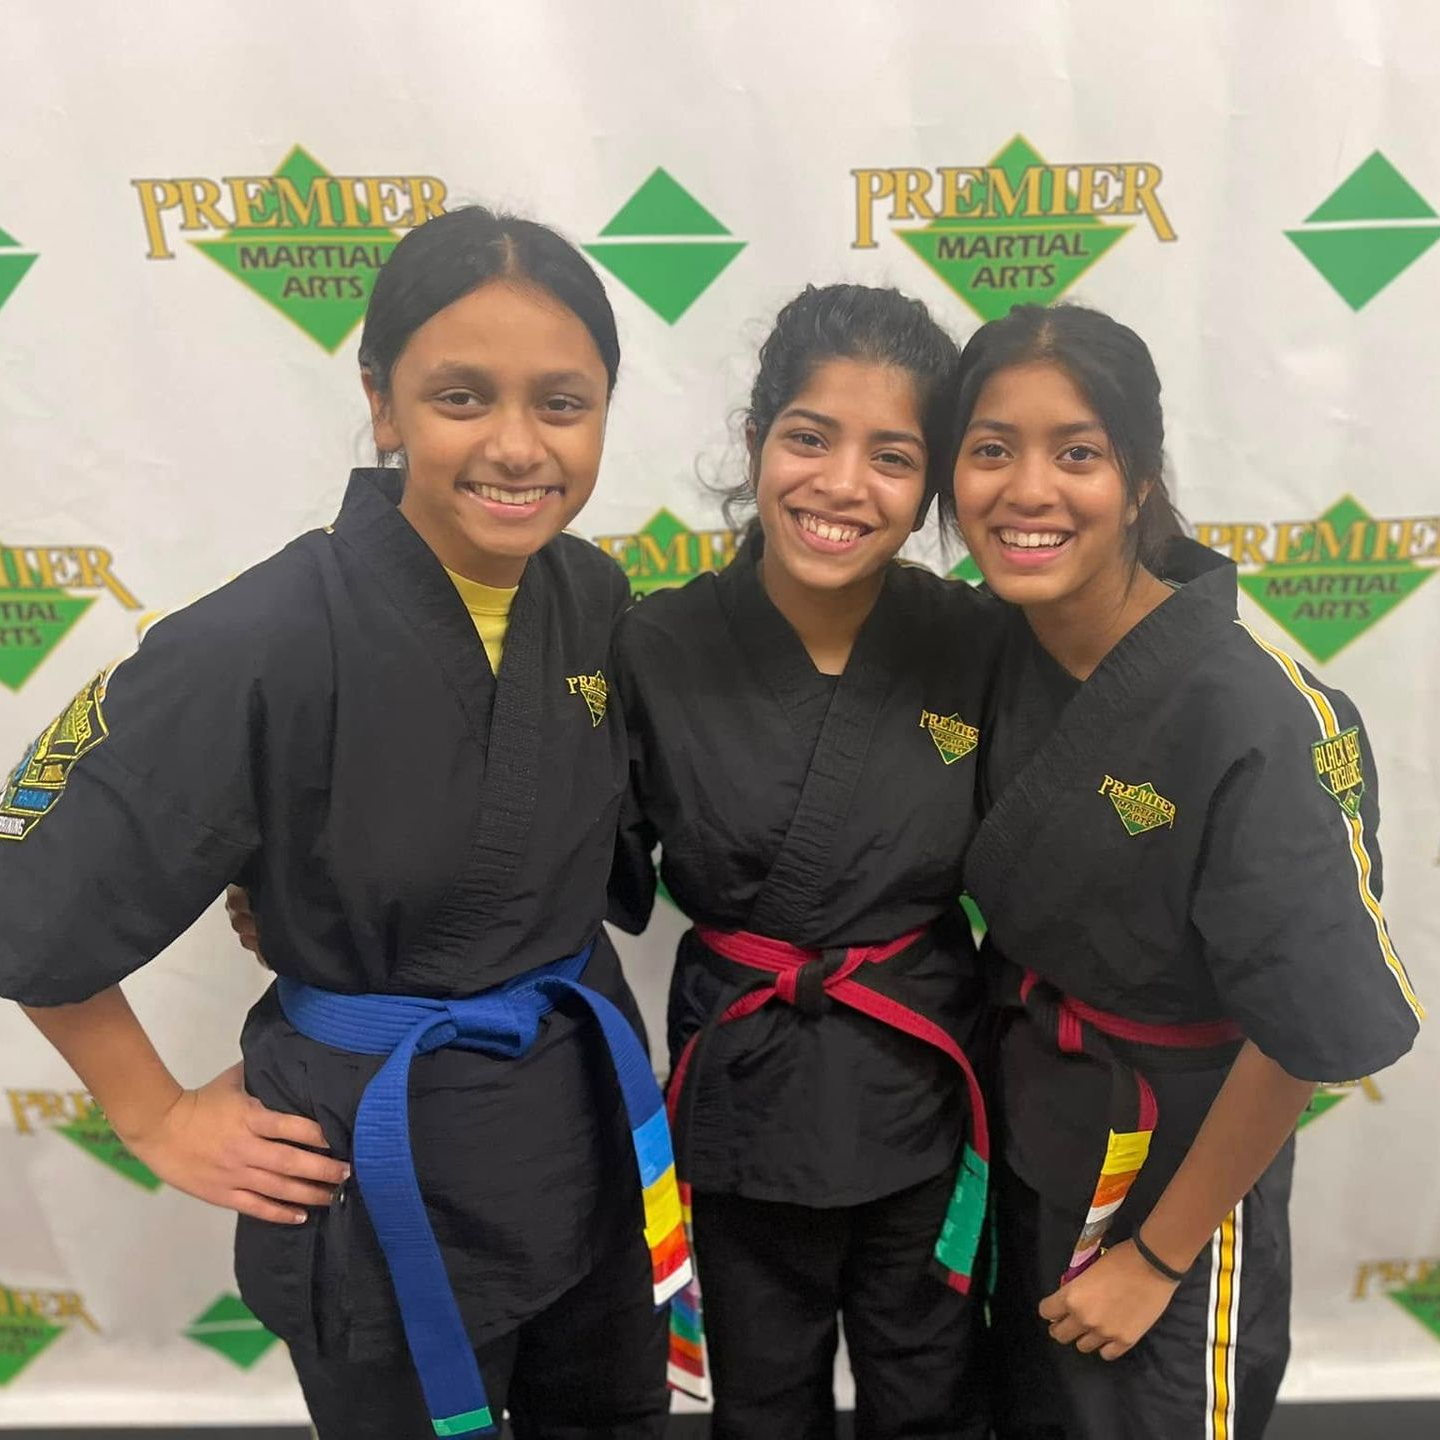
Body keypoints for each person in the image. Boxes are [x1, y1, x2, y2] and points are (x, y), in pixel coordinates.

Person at [0, 206, 689, 1440]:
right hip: (388, 1167)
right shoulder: (258, 639)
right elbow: (31, 891)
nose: (518, 447)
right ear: (383, 406)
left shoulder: (589, 592)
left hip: (580, 1126)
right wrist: (153, 1113)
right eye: (462, 397)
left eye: (564, 403)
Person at [944, 302, 1423, 1440]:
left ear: (1142, 477)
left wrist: (1157, 1258)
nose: (1028, 490)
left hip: (1182, 1180)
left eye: (1078, 452)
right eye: (991, 448)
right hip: (1026, 1134)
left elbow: (1303, 1031)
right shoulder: (990, 641)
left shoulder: (1256, 710)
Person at [608, 283, 1002, 1440]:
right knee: (763, 1403)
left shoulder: (979, 642)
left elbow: (1074, 839)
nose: (840, 485)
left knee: (929, 1397)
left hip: (921, 1087)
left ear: (931, 487)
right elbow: (561, 851)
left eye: (892, 456)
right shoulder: (654, 644)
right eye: (809, 437)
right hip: (742, 1100)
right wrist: (317, 895)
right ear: (756, 442)